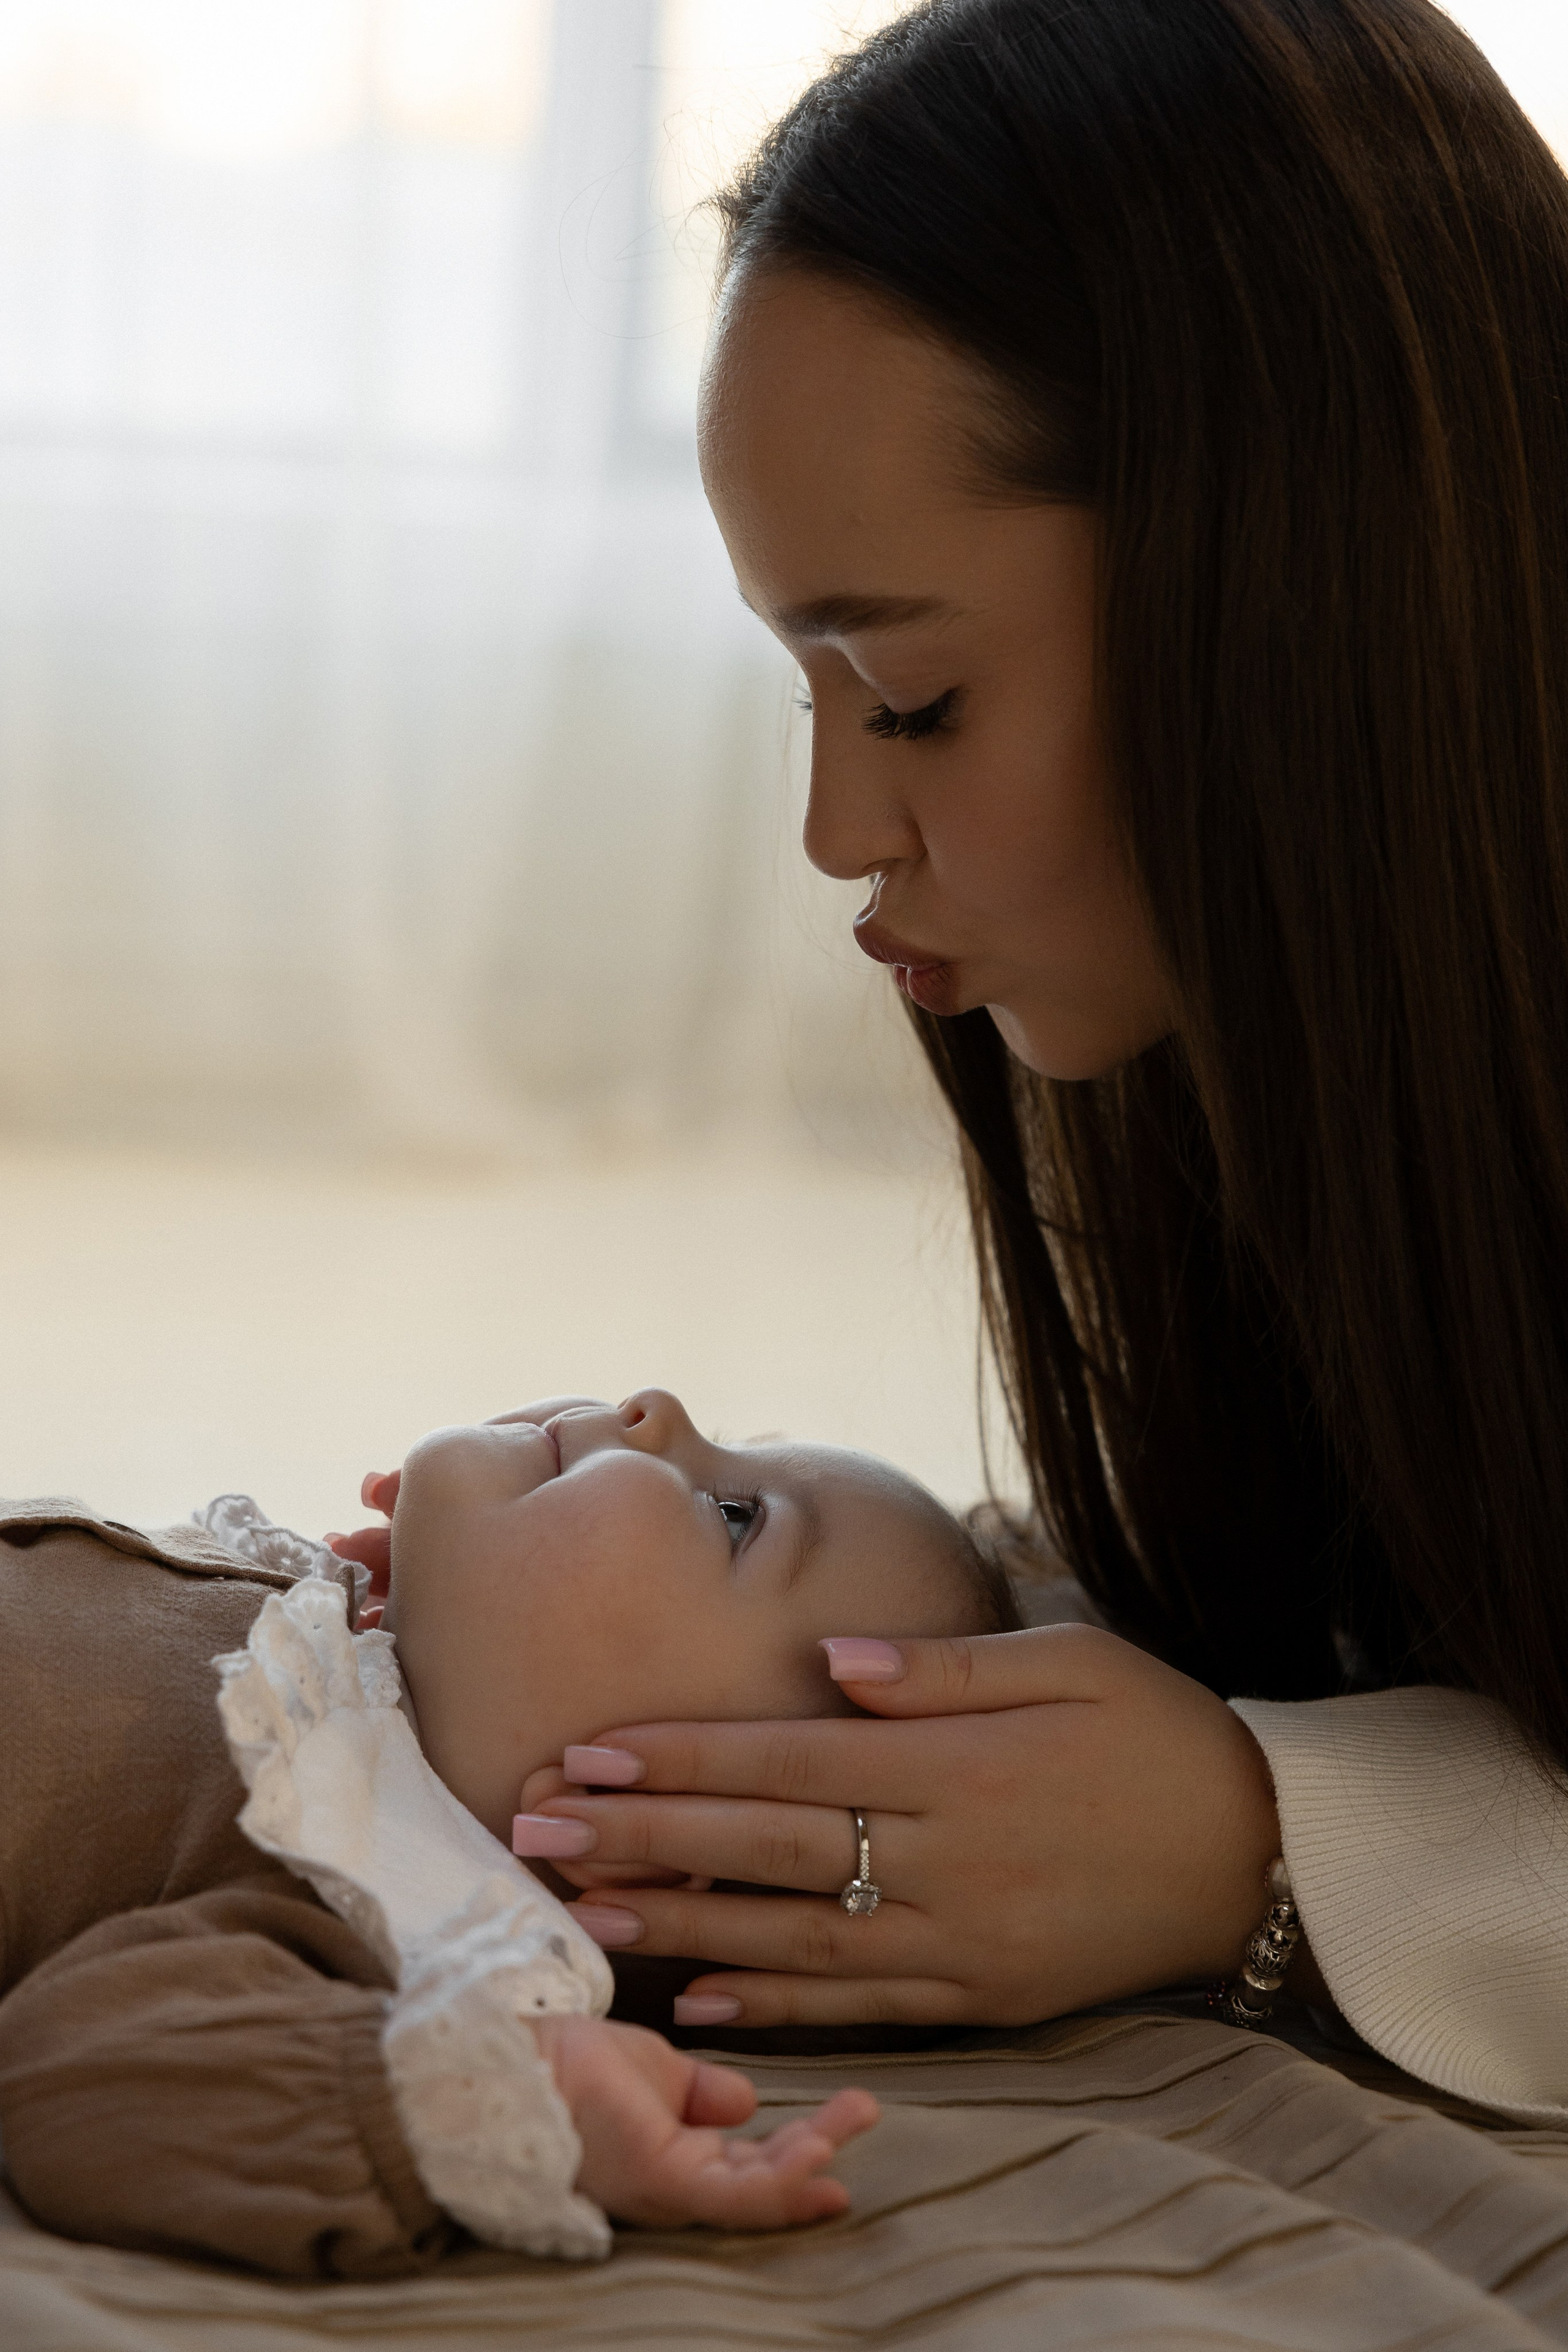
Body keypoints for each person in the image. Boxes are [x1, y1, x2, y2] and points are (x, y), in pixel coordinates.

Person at [448, 0, 1568, 2124]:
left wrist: (1265, 1846)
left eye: (913, 699)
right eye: (818, 697)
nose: (840, 836)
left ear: (1304, 598)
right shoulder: (1289, 1084)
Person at [0, 1391, 1015, 2275]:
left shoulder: (387, 1897)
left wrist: (502, 2094)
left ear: (657, 1831)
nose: (657, 1406)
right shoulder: (336, 1680)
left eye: (737, 1514)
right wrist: (430, 1608)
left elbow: (83, 2088)